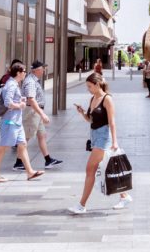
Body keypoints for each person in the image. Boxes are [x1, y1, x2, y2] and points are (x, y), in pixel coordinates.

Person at [68, 72, 130, 214]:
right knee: (107, 169)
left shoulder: (107, 99)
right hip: (94, 136)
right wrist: (82, 113)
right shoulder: (92, 98)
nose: (88, 89)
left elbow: (112, 122)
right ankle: (124, 196)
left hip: (104, 138)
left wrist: (115, 142)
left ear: (97, 84)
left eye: (90, 86)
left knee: (90, 169)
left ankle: (81, 205)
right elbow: (91, 120)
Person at [0, 62, 43, 183]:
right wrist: (20, 105)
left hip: (16, 122)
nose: (25, 73)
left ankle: (30, 172)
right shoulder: (12, 85)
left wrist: (20, 101)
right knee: (3, 147)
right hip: (10, 122)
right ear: (18, 73)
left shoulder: (14, 84)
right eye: (24, 71)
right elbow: (8, 103)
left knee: (22, 146)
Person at [18, 61, 61, 171]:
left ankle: (48, 159)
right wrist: (42, 114)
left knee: (42, 135)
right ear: (35, 70)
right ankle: (18, 162)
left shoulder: (34, 80)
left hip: (36, 112)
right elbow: (31, 99)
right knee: (26, 138)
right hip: (32, 112)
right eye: (42, 69)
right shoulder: (30, 82)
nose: (43, 71)